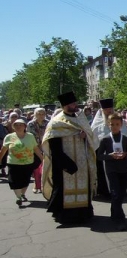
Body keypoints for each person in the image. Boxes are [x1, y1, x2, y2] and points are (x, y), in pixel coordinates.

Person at [42, 91, 96, 224]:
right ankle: (65, 216)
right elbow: (53, 146)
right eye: (72, 103)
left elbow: (91, 137)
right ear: (65, 105)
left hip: (83, 160)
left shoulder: (80, 119)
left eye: (75, 102)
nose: (75, 105)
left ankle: (83, 215)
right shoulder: (56, 123)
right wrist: (66, 163)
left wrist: (85, 136)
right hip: (64, 162)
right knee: (63, 188)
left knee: (84, 187)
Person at [96, 113, 127, 231]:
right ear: (108, 125)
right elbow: (99, 156)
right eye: (112, 124)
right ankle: (120, 219)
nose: (114, 127)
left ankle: (113, 212)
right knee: (116, 193)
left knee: (120, 194)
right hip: (112, 170)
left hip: (125, 169)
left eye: (117, 124)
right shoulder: (105, 139)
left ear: (121, 125)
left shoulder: (125, 138)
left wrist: (125, 154)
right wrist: (110, 156)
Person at [0, 118, 44, 206]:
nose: (19, 127)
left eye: (21, 125)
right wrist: (0, 159)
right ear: (13, 127)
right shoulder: (9, 137)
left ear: (25, 126)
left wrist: (42, 159)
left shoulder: (30, 136)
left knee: (26, 181)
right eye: (16, 125)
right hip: (13, 163)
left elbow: (35, 148)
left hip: (28, 163)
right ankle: (19, 197)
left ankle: (22, 194)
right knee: (13, 181)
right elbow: (4, 149)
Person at [91, 98, 121, 200]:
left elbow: (124, 133)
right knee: (103, 172)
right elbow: (94, 137)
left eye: (111, 108)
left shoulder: (119, 120)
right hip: (103, 153)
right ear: (102, 110)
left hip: (117, 150)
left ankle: (118, 189)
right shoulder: (97, 122)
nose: (109, 111)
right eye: (107, 109)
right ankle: (104, 190)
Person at [26, 107, 48, 194]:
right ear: (35, 114)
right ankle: (36, 184)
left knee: (45, 166)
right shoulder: (31, 124)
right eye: (39, 114)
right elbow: (29, 136)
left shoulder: (48, 123)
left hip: (46, 147)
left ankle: (44, 185)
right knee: (36, 167)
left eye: (43, 114)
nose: (41, 115)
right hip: (34, 148)